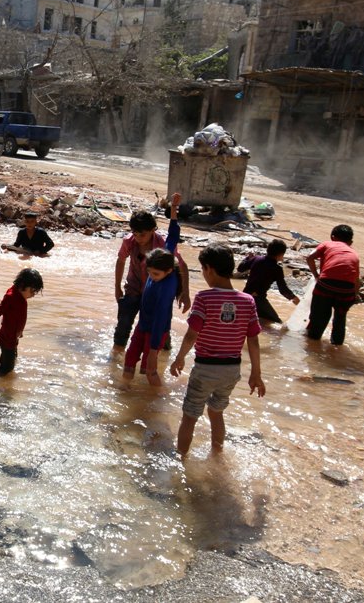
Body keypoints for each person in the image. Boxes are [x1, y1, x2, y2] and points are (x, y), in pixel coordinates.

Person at [170, 244, 265, 458]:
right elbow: (253, 341)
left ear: (209, 269)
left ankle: (181, 460)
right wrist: (256, 373)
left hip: (205, 368)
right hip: (232, 370)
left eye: (203, 270)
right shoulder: (247, 301)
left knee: (190, 417)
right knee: (216, 413)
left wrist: (179, 358)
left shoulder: (204, 297)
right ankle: (217, 455)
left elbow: (192, 335)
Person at [123, 193, 183, 386]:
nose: (151, 277)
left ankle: (158, 402)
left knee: (150, 371)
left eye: (155, 275)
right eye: (149, 273)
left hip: (155, 332)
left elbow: (159, 320)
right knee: (129, 361)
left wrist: (154, 351)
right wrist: (174, 210)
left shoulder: (166, 288)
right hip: (143, 325)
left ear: (168, 271)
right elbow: (173, 235)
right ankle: (122, 391)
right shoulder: (163, 258)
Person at [113, 208, 190, 355]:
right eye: (135, 234)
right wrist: (117, 287)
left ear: (153, 230)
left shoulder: (162, 243)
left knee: (160, 326)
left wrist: (185, 293)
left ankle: (164, 355)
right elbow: (121, 260)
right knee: (123, 323)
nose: (139, 238)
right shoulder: (129, 241)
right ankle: (116, 354)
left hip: (157, 291)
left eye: (143, 234)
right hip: (134, 287)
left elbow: (182, 266)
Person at [0, 268, 44, 377]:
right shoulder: (11, 297)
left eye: (35, 292)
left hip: (12, 336)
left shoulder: (20, 295)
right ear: (23, 285)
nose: (33, 294)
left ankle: (0, 371)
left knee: (9, 359)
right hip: (7, 338)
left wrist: (20, 330)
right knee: (7, 368)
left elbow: (19, 316)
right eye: (32, 291)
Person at [305, 224, 360, 346]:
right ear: (350, 242)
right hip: (346, 290)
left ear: (332, 237)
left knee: (319, 317)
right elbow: (356, 280)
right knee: (340, 319)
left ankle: (313, 344)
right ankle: (337, 346)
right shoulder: (354, 254)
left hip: (326, 284)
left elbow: (309, 257)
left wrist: (316, 275)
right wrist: (354, 296)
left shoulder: (327, 244)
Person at [239, 239, 299, 324]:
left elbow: (240, 268)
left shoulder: (256, 259)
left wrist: (247, 258)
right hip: (258, 300)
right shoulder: (277, 268)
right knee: (277, 323)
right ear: (280, 254)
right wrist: (294, 298)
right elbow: (282, 289)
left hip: (245, 297)